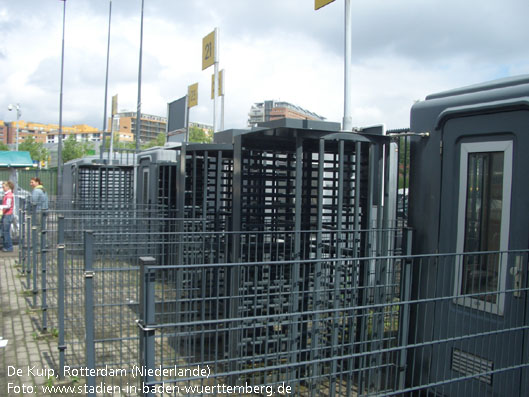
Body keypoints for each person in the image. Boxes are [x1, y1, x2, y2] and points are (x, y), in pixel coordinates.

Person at [0, 181, 15, 252]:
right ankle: (6, 246)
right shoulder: (7, 194)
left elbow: (8, 205)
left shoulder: (9, 195)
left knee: (6, 232)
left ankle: (8, 247)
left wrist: (1, 206)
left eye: (4, 187)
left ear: (8, 187)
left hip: (7, 215)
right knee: (4, 231)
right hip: (6, 214)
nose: (3, 188)